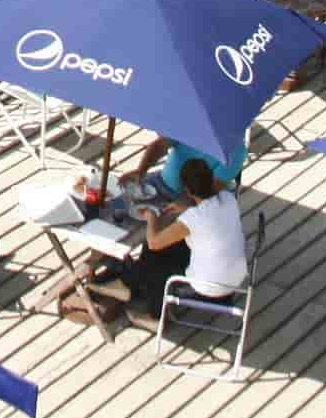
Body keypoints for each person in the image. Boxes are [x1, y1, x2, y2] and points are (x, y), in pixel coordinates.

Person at [100, 157, 248, 326]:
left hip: (211, 285)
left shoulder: (194, 218)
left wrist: (151, 217)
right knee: (168, 248)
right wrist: (186, 209)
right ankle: (128, 282)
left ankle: (155, 316)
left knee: (155, 256)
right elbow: (208, 215)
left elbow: (155, 242)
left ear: (187, 190)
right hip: (236, 277)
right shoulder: (228, 198)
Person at [124, 131, 247, 206]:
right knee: (122, 199)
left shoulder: (236, 152)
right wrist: (141, 170)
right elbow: (160, 145)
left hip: (194, 200)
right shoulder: (193, 123)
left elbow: (211, 190)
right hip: (160, 181)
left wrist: (185, 205)